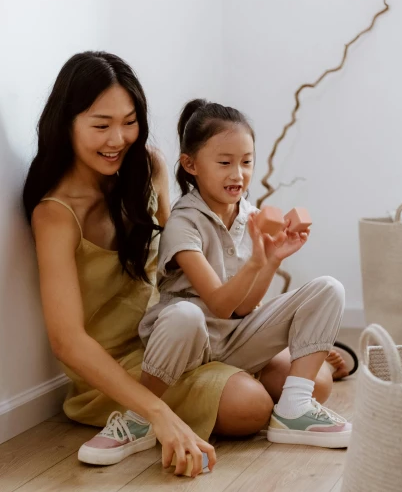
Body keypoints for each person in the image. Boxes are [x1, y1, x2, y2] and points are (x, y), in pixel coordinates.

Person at [137, 99, 353, 449]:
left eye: (246, 162)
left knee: (328, 288)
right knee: (187, 314)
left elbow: (243, 308)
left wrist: (271, 259)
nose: (238, 174)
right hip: (191, 343)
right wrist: (256, 262)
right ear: (191, 165)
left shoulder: (249, 216)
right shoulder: (184, 222)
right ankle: (139, 417)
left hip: (235, 338)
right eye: (224, 163)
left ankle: (294, 409)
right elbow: (220, 305)